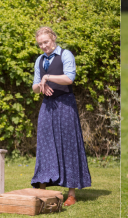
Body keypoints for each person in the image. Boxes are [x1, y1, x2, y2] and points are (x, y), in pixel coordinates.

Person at [31, 26, 91, 206]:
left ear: (53, 39)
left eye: (46, 42)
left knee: (69, 146)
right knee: (45, 145)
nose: (43, 46)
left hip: (65, 105)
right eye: (40, 44)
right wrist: (40, 84)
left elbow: (69, 78)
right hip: (47, 107)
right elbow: (34, 86)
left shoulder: (66, 55)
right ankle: (42, 190)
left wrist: (48, 77)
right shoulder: (39, 60)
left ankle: (71, 193)